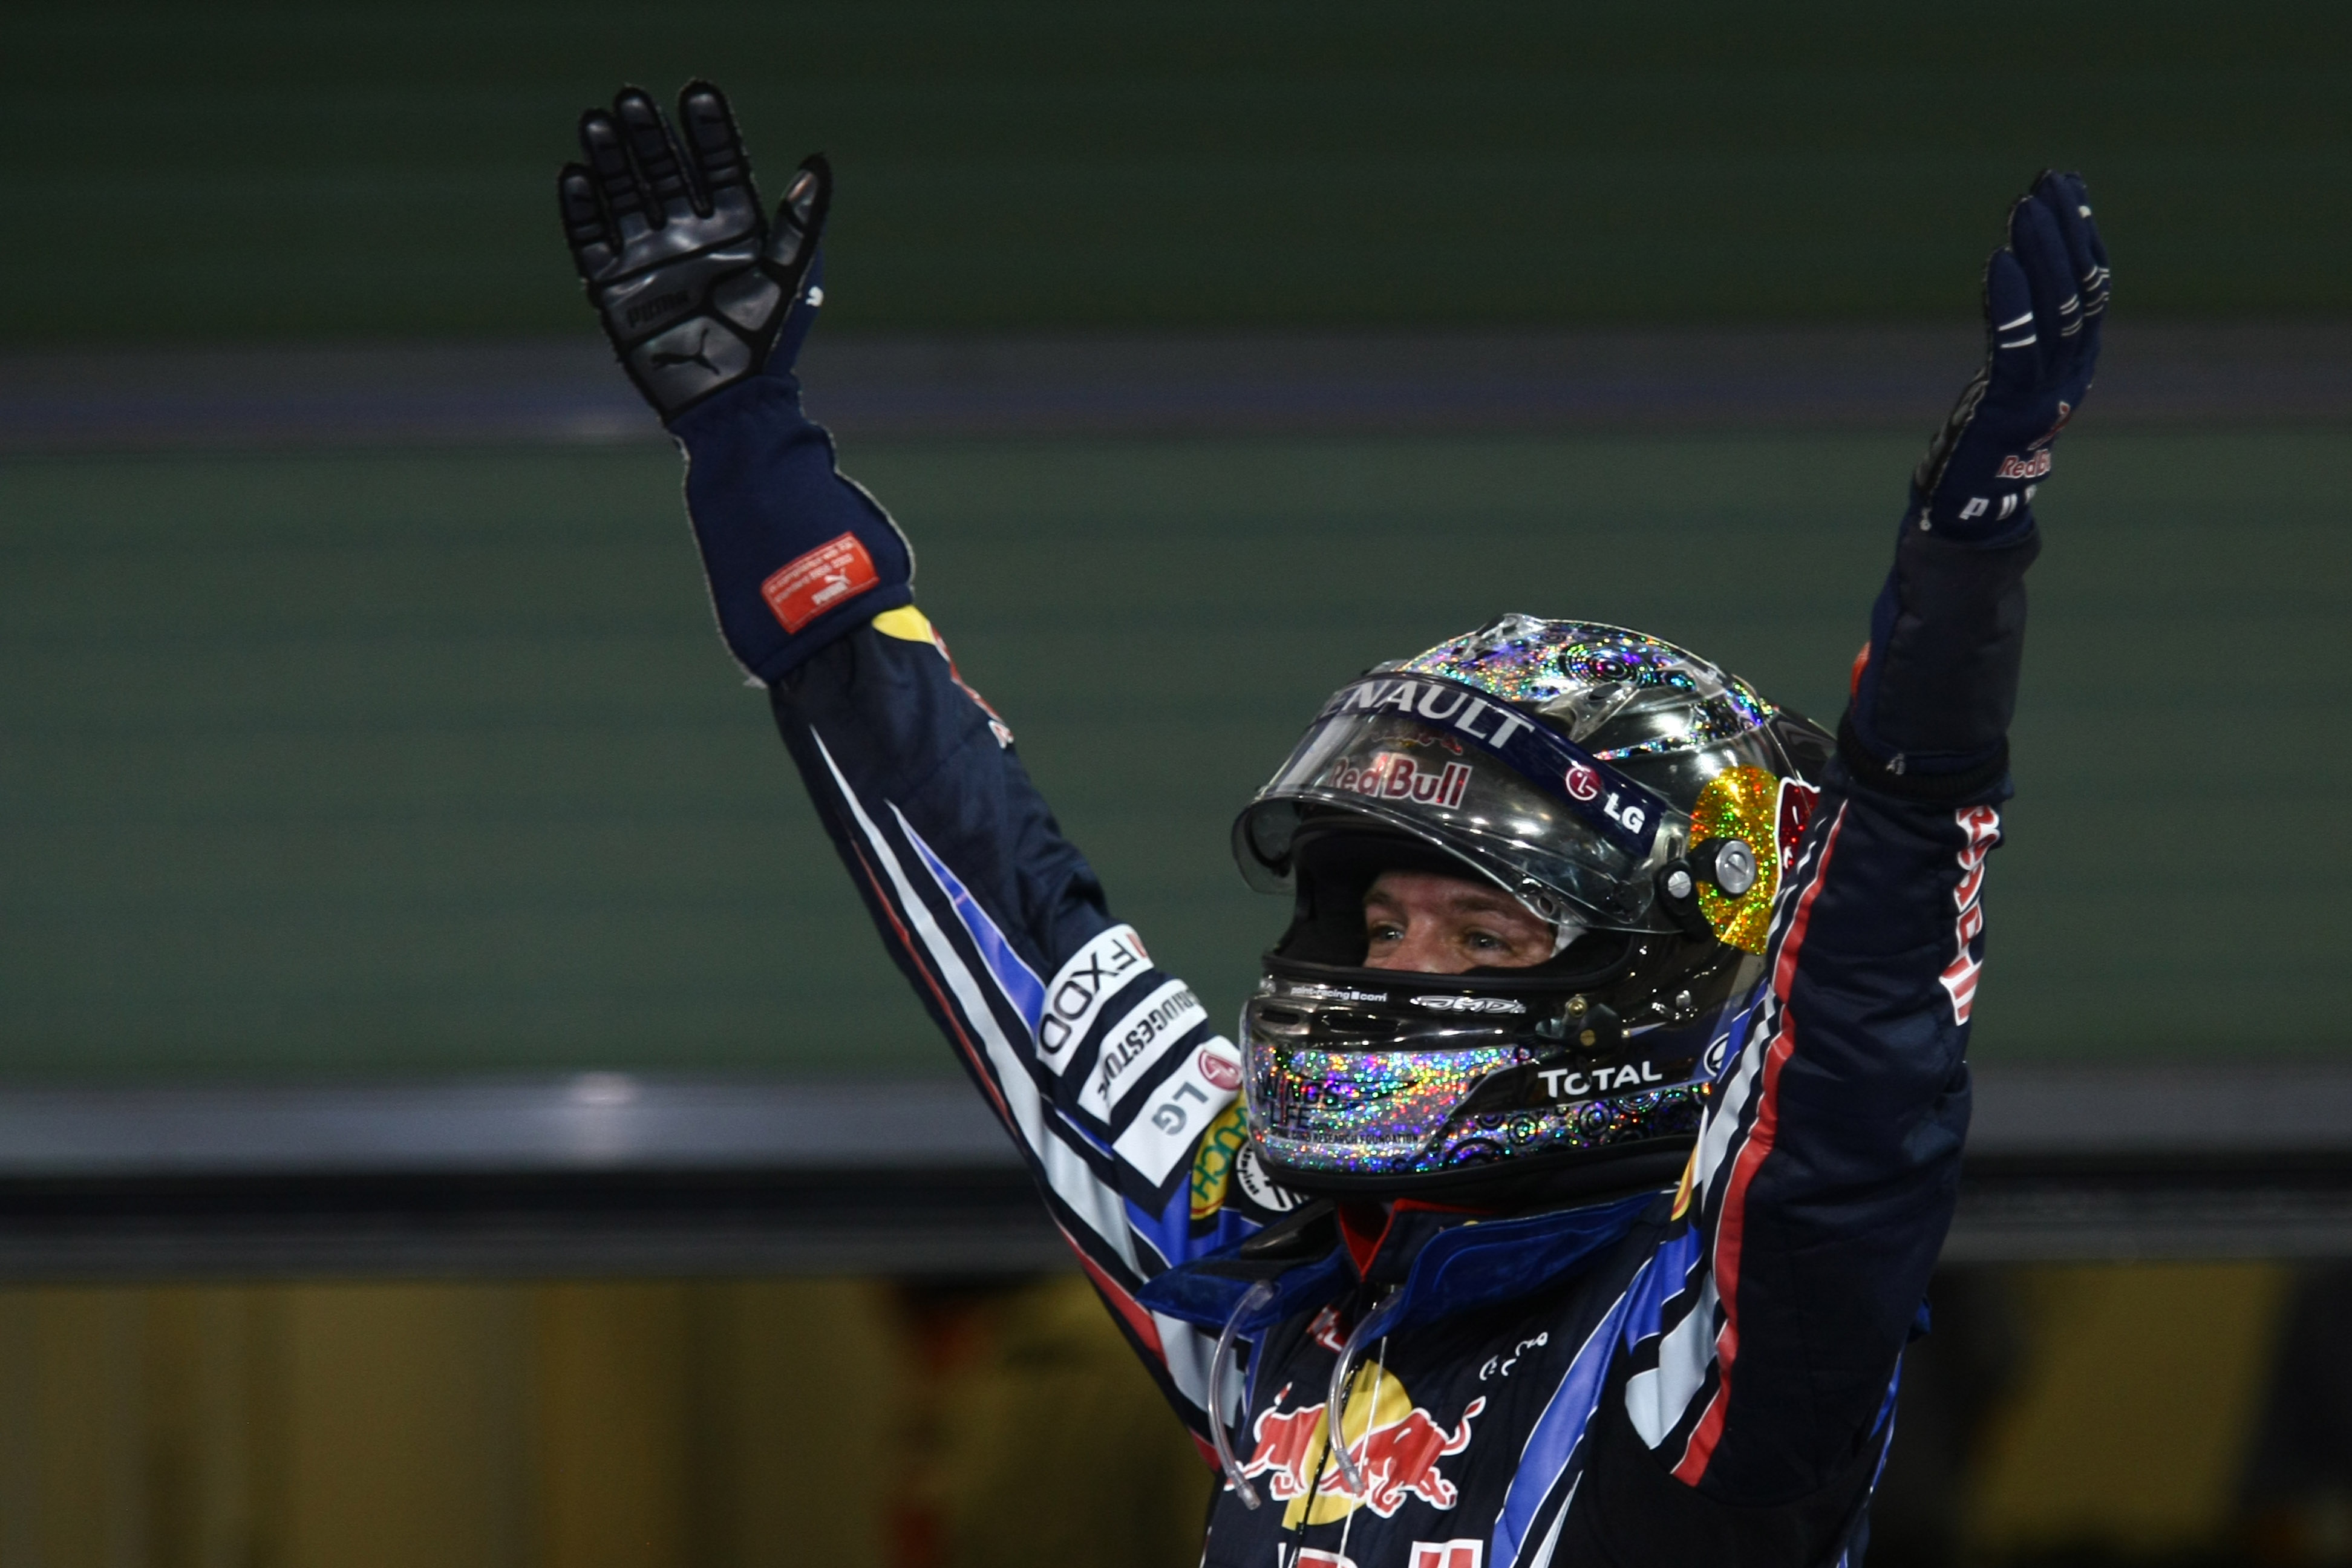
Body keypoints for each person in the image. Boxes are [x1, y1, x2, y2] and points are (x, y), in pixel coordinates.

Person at [557, 80, 2106, 1568]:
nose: (1398, 962)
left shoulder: (1696, 1366)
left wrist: (1937, 687)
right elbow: (1012, 924)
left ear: (1657, 980)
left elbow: (1855, 1098)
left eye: (1482, 928)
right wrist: (756, 464)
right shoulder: (1273, 1287)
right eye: (1381, 919)